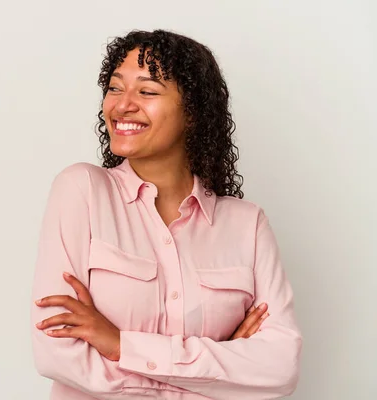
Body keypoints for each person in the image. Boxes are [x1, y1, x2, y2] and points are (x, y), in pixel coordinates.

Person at [30, 29, 302, 400]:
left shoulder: (247, 225)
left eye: (147, 91)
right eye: (114, 88)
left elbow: (279, 369)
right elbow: (57, 356)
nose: (122, 104)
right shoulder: (82, 191)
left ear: (193, 112)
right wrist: (218, 376)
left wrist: (120, 345)